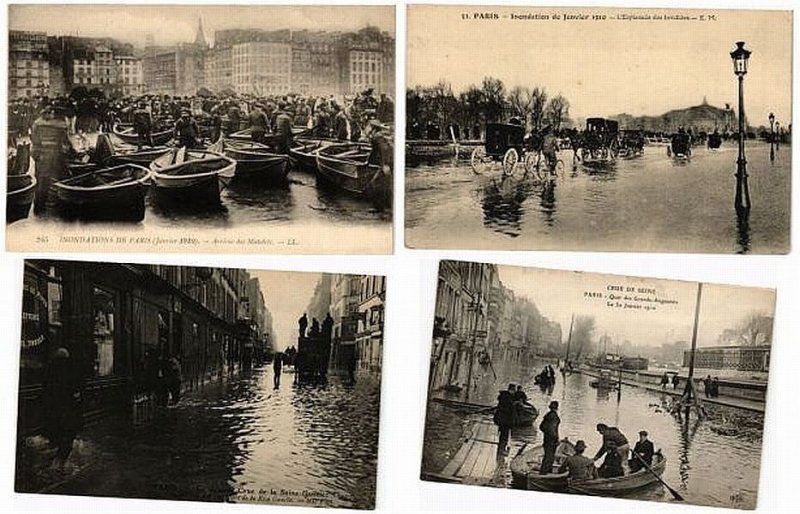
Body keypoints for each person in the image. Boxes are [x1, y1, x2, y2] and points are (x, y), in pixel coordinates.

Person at [42, 347, 83, 471]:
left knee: (57, 429)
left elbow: (45, 386)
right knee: (68, 432)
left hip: (54, 406)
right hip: (68, 407)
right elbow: (76, 388)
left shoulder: (50, 368)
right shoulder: (70, 369)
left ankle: (56, 454)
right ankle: (60, 461)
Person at [539, 401, 561, 474]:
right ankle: (545, 472)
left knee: (547, 456)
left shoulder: (547, 415)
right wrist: (556, 439)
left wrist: (547, 433)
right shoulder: (554, 417)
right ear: (557, 407)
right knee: (550, 457)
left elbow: (541, 427)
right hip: (552, 440)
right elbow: (553, 430)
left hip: (546, 439)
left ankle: (545, 471)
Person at [493, 384, 516, 453]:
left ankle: (501, 449)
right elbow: (508, 411)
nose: (514, 392)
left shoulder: (504, 397)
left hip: (502, 420)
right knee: (504, 436)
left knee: (503, 435)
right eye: (513, 390)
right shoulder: (507, 399)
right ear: (511, 390)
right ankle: (501, 450)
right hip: (505, 421)